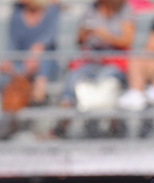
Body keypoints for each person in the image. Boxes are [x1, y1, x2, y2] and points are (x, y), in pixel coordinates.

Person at [53, 0, 136, 138]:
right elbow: (78, 40)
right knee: (73, 77)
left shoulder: (123, 9)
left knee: (106, 80)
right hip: (91, 60)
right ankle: (61, 127)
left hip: (115, 61)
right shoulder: (91, 9)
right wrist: (85, 34)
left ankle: (113, 129)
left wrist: (104, 35)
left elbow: (127, 40)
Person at [0, 0, 61, 140]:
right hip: (21, 61)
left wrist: (35, 55)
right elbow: (12, 43)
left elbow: (48, 39)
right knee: (4, 79)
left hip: (45, 61)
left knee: (42, 69)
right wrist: (8, 61)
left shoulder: (51, 10)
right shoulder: (17, 13)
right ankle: (8, 124)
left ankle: (40, 126)